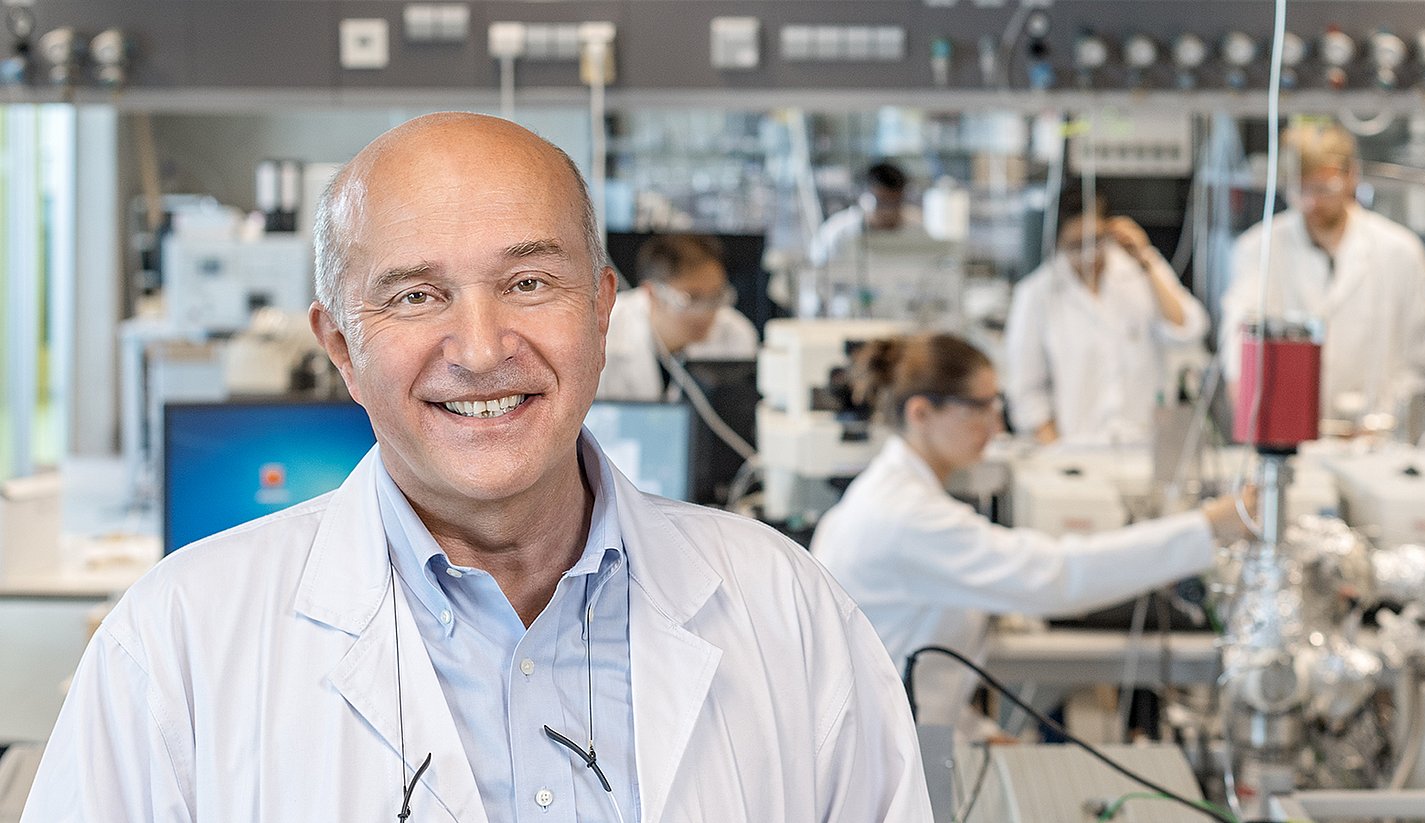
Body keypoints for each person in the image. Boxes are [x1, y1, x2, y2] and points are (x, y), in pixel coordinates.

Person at [23, 113, 931, 820]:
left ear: (603, 308)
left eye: (530, 283)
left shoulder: (791, 613)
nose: (482, 346)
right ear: (342, 345)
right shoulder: (174, 645)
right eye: (417, 296)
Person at [810, 333, 1255, 734]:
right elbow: (1055, 576)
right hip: (878, 756)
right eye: (979, 408)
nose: (997, 425)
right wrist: (1209, 528)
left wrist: (976, 733)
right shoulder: (904, 516)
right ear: (922, 413)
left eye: (996, 405)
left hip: (898, 738)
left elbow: (904, 664)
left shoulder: (892, 494)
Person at [1219, 121, 1425, 424]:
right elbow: (1240, 344)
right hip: (1289, 431)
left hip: (1376, 435)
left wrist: (1390, 420)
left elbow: (1419, 357)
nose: (1311, 202)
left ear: (1352, 177)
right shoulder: (1259, 248)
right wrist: (1253, 421)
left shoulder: (1399, 252)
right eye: (1300, 189)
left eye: (1323, 188)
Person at [1003, 191, 1209, 446]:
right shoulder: (1037, 294)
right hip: (1076, 449)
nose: (1089, 255)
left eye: (1096, 241)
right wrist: (1057, 451)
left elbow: (1188, 330)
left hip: (1144, 444)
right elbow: (1026, 392)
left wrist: (1146, 258)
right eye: (1076, 246)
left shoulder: (1138, 270)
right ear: (1057, 242)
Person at [598, 233, 758, 402]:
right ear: (651, 293)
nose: (706, 313)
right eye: (691, 299)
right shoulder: (605, 331)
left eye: (715, 297)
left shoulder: (736, 333)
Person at [809, 161, 925, 268]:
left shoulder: (917, 228)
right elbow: (816, 273)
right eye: (882, 202)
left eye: (895, 202)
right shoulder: (836, 232)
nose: (888, 211)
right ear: (865, 198)